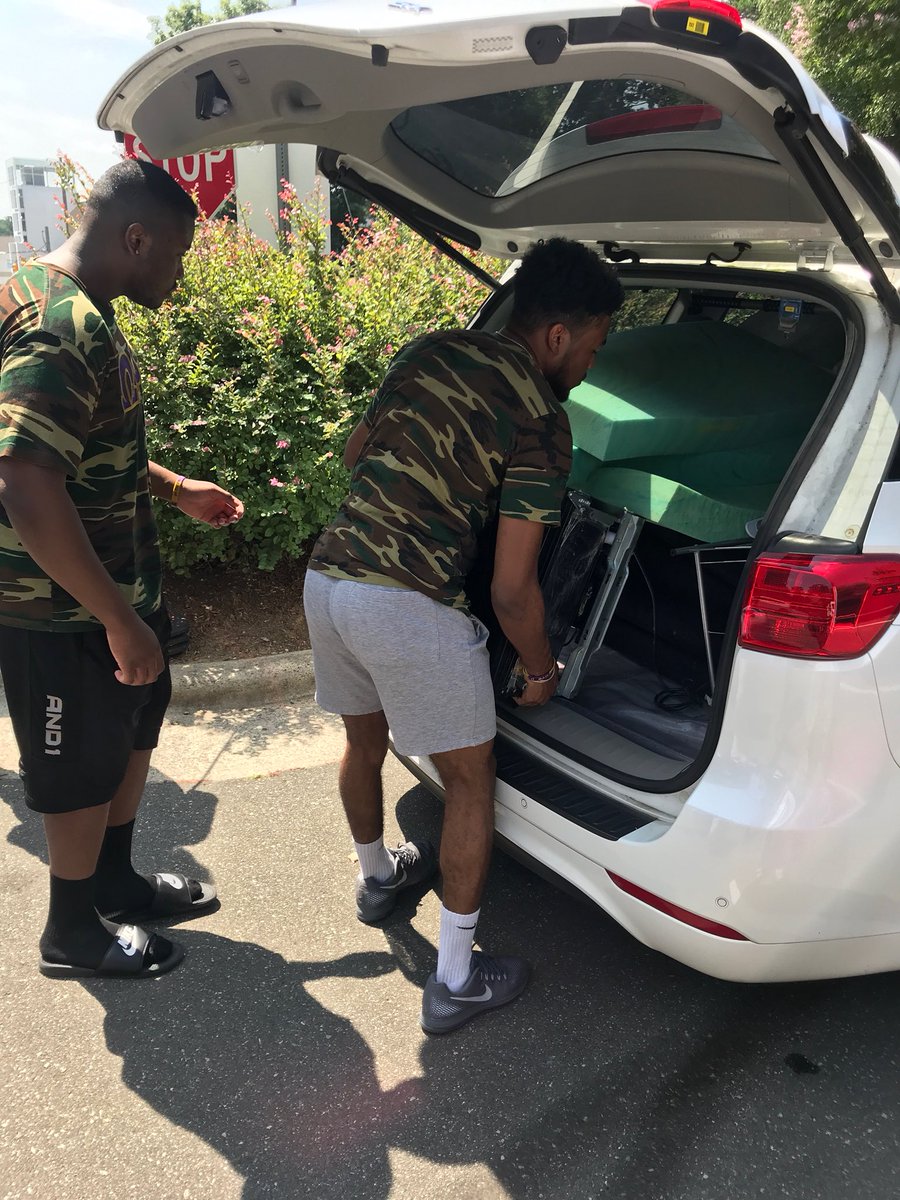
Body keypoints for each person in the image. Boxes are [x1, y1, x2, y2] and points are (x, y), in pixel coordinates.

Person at [303, 237, 623, 1033]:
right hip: (409, 604)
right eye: (592, 349)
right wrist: (541, 669)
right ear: (557, 335)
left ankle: (378, 878)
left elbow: (354, 453)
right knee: (472, 782)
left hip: (330, 578)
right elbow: (513, 590)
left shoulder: (429, 349)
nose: (589, 368)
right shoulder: (543, 419)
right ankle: (455, 979)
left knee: (363, 741)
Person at [0, 158, 244, 979]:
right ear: (135, 238)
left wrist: (174, 489)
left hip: (115, 589)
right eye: (175, 255)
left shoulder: (66, 303)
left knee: (130, 731)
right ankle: (71, 932)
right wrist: (116, 619)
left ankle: (114, 883)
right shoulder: (60, 325)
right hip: (61, 610)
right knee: (76, 768)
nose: (178, 273)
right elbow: (25, 481)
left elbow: (79, 448)